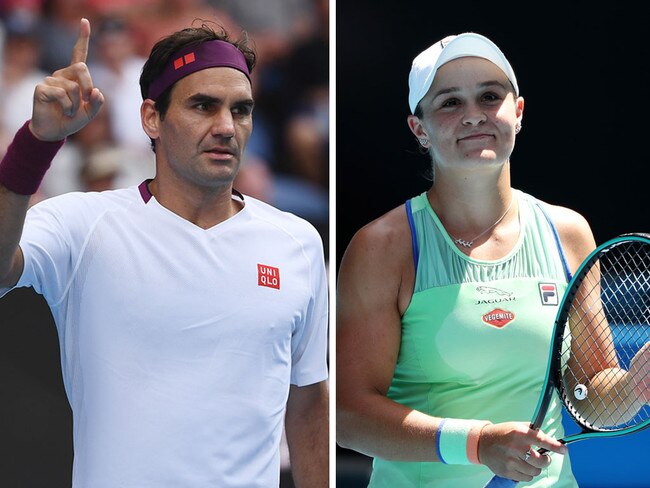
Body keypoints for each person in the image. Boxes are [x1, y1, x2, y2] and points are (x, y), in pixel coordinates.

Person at [0, 18, 328, 488]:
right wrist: (36, 143)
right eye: (203, 106)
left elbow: (309, 399)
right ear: (152, 117)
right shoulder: (81, 224)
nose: (225, 127)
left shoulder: (298, 242)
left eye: (241, 110)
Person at [336, 32, 646, 487]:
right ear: (419, 129)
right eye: (449, 103)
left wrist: (635, 385)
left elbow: (588, 392)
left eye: (489, 96)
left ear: (517, 113)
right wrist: (479, 443)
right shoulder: (381, 248)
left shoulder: (568, 233)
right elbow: (349, 415)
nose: (475, 115)